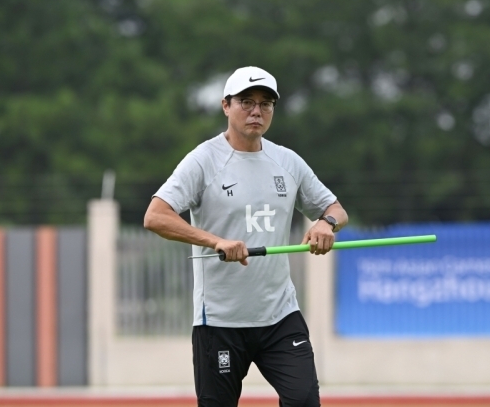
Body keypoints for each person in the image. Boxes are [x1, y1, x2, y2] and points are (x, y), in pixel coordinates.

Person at [143, 66, 348, 407]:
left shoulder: (288, 161)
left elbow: (336, 208)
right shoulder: (203, 160)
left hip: (280, 316)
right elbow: (155, 216)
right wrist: (215, 241)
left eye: (266, 104)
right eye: (246, 102)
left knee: (304, 401)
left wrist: (326, 223)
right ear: (226, 105)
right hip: (220, 321)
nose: (257, 111)